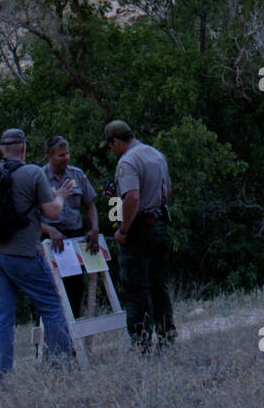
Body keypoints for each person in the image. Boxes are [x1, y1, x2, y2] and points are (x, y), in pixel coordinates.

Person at [0, 127, 76, 378]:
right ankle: (60, 369)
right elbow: (52, 212)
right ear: (23, 148)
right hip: (23, 254)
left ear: (1, 150)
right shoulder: (32, 172)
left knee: (3, 316)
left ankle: (4, 375)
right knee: (52, 308)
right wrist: (61, 196)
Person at [102, 120, 176, 353]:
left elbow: (132, 197)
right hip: (161, 224)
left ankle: (141, 342)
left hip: (140, 229)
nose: (111, 151)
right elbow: (167, 191)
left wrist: (123, 230)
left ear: (116, 141)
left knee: (135, 286)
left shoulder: (128, 161)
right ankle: (167, 335)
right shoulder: (155, 154)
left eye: (110, 146)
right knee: (158, 283)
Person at [40, 135, 100, 318]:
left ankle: (76, 341)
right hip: (51, 239)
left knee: (75, 289)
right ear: (49, 156)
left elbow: (89, 205)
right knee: (50, 291)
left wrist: (94, 228)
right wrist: (49, 230)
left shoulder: (76, 175)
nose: (65, 158)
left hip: (74, 236)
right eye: (60, 155)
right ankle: (51, 342)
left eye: (67, 154)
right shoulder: (39, 178)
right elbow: (29, 217)